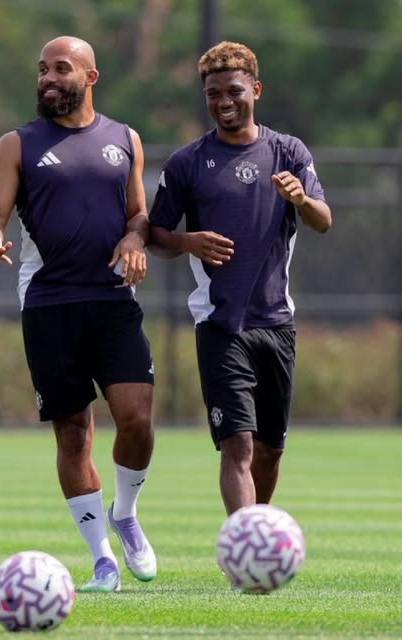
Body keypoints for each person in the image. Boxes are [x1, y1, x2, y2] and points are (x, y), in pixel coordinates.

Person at [0, 35, 156, 592]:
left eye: (60, 68)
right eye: (42, 70)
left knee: (137, 420)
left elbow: (139, 214)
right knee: (73, 434)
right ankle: (102, 560)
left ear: (90, 77)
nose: (48, 78)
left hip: (113, 298)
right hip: (49, 303)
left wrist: (134, 239)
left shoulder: (124, 138)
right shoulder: (17, 144)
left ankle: (125, 513)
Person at [148, 41, 332, 516]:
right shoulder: (187, 162)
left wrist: (301, 199)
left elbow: (323, 220)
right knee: (238, 445)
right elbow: (156, 236)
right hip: (220, 324)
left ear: (256, 89)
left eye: (233, 90)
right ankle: (244, 542)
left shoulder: (288, 151)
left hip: (276, 323)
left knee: (270, 450)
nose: (223, 102)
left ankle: (256, 534)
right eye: (213, 94)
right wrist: (188, 241)